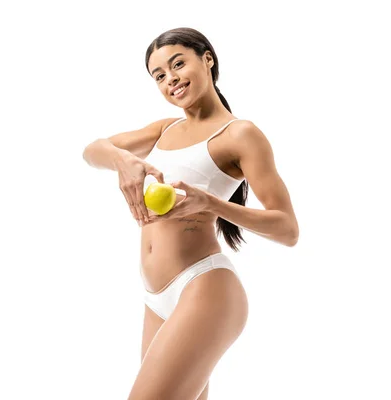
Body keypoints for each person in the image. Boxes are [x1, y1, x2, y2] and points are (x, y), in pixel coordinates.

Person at [82, 27, 299, 400]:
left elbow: (288, 229)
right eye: (159, 76)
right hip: (156, 297)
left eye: (178, 63)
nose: (171, 79)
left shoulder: (239, 134)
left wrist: (212, 203)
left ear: (207, 59)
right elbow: (92, 150)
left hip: (205, 288)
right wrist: (125, 162)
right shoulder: (164, 129)